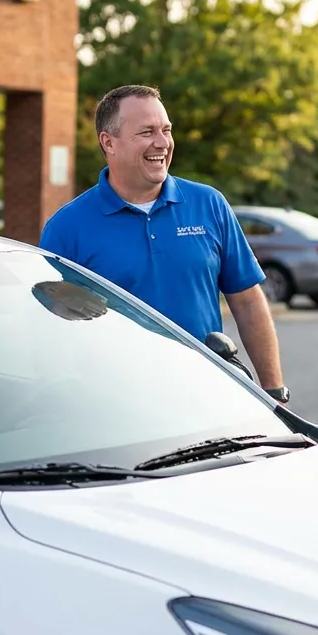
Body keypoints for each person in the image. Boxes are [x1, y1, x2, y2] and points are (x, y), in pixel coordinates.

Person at [39, 84, 290, 404]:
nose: (162, 142)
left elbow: (248, 301)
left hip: (206, 396)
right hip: (113, 403)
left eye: (166, 130)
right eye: (147, 132)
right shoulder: (66, 227)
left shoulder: (209, 204)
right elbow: (51, 330)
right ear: (109, 142)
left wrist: (273, 390)